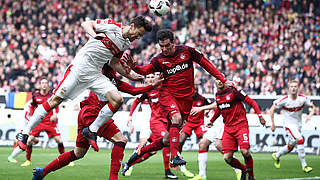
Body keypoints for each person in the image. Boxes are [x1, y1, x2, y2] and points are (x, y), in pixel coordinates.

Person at [16, 16, 153, 152]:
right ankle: (24, 132)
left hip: (95, 74)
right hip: (79, 68)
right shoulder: (112, 26)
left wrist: (134, 76)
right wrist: (95, 35)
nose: (138, 37)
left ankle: (92, 130)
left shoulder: (125, 43)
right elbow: (86, 23)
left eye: (141, 36)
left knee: (117, 99)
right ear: (132, 26)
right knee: (54, 101)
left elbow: (114, 63)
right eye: (138, 33)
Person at [32, 63, 161, 180]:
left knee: (78, 153)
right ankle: (113, 178)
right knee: (121, 140)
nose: (122, 67)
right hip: (94, 113)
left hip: (86, 113)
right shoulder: (102, 70)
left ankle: (42, 172)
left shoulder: (115, 80)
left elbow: (133, 91)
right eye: (120, 64)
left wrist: (151, 85)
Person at [125, 28, 233, 166]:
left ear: (173, 43)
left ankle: (138, 153)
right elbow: (144, 70)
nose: (164, 49)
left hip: (186, 99)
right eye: (161, 46)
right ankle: (174, 156)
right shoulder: (158, 60)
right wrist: (134, 67)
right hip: (168, 95)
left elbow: (206, 64)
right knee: (177, 119)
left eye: (167, 46)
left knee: (166, 140)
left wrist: (222, 79)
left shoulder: (187, 52)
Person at [206, 78, 265, 180]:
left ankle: (251, 176)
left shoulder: (234, 91)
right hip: (228, 129)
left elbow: (251, 102)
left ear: (224, 80)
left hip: (241, 126)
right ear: (214, 82)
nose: (219, 81)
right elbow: (220, 109)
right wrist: (211, 120)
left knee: (245, 152)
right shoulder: (218, 95)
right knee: (227, 158)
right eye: (217, 80)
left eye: (221, 79)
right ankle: (244, 169)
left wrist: (260, 116)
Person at [123, 73, 178, 179]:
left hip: (161, 122)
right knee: (152, 142)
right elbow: (136, 103)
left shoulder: (162, 89)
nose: (151, 79)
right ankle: (168, 168)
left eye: (153, 77)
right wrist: (131, 119)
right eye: (148, 77)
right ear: (145, 80)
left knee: (152, 151)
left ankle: (129, 164)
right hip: (148, 122)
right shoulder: (144, 91)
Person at [270, 80, 315, 173]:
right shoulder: (284, 100)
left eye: (295, 86)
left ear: (298, 88)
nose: (293, 88)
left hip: (298, 125)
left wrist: (310, 115)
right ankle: (304, 166)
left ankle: (276, 155)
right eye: (292, 86)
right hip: (288, 125)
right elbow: (272, 109)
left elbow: (313, 107)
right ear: (289, 88)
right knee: (300, 139)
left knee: (290, 146)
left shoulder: (303, 99)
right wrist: (273, 123)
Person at [188, 102, 241, 180]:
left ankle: (238, 169)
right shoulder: (217, 90)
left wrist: (201, 108)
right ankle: (202, 175)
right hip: (217, 122)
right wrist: (209, 110)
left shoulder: (226, 90)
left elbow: (219, 103)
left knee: (219, 145)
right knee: (202, 144)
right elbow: (217, 101)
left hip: (224, 121)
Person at [178, 90, 211, 178]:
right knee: (180, 141)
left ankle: (202, 160)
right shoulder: (186, 98)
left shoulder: (202, 99)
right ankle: (178, 159)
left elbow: (210, 106)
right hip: (188, 122)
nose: (193, 92)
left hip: (199, 123)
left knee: (205, 140)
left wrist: (207, 112)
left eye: (195, 90)